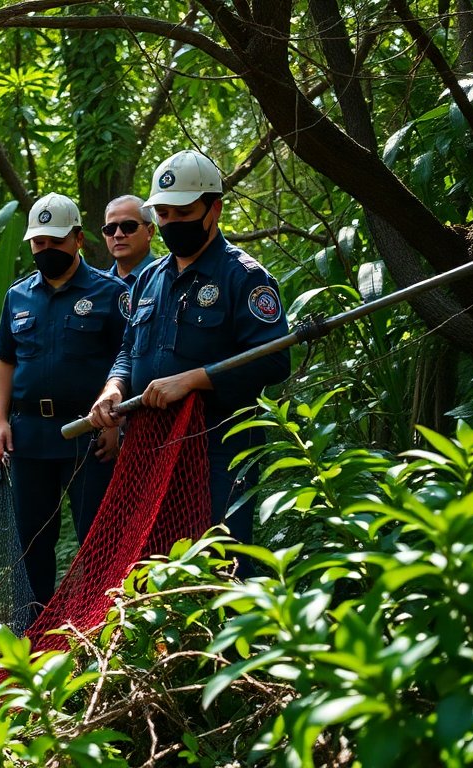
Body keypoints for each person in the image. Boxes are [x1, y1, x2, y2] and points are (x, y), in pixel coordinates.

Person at [86, 149, 290, 552]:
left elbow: (273, 359)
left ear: (213, 209)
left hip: (219, 445)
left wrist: (195, 380)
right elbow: (129, 348)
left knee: (222, 555)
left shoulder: (243, 276)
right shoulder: (148, 278)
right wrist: (113, 389)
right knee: (150, 559)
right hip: (150, 443)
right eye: (163, 214)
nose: (171, 223)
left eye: (182, 212)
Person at [0, 192, 129, 618]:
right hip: (29, 435)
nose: (46, 249)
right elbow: (4, 361)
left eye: (55, 240)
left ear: (77, 239)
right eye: (38, 243)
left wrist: (114, 422)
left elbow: (128, 359)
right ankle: (33, 632)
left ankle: (100, 626)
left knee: (98, 537)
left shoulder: (111, 293)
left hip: (89, 434)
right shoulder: (18, 297)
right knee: (33, 541)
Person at [102, 194, 157, 290]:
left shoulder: (167, 279)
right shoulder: (97, 287)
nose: (118, 235)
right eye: (110, 229)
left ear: (150, 231)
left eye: (129, 227)